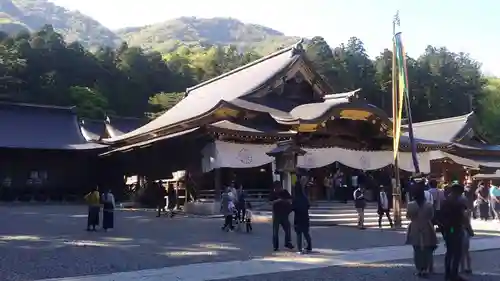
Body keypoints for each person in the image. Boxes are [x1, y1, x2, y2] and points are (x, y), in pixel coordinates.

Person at [406, 186, 437, 278]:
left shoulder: (410, 205)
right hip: (427, 227)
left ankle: (419, 269)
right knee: (427, 250)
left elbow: (408, 216)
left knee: (417, 250)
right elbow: (431, 216)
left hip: (415, 227)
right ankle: (426, 268)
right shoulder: (429, 205)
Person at [441, 183, 468, 281]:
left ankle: (448, 273)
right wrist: (469, 228)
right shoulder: (457, 202)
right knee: (457, 253)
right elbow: (463, 216)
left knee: (449, 252)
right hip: (455, 228)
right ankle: (454, 274)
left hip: (447, 229)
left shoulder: (445, 201)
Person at [269, 181, 293, 251]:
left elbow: (290, 199)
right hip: (276, 214)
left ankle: (287, 242)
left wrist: (285, 201)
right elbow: (270, 202)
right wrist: (278, 200)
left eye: (280, 187)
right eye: (277, 187)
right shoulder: (273, 193)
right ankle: (275, 246)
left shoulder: (285, 192)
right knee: (275, 231)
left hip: (285, 214)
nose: (279, 189)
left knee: (288, 229)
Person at [292, 177, 312, 254]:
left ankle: (299, 249)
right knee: (306, 233)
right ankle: (309, 247)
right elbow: (308, 206)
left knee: (299, 233)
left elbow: (292, 208)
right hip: (305, 217)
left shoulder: (295, 199)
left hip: (298, 217)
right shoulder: (304, 198)